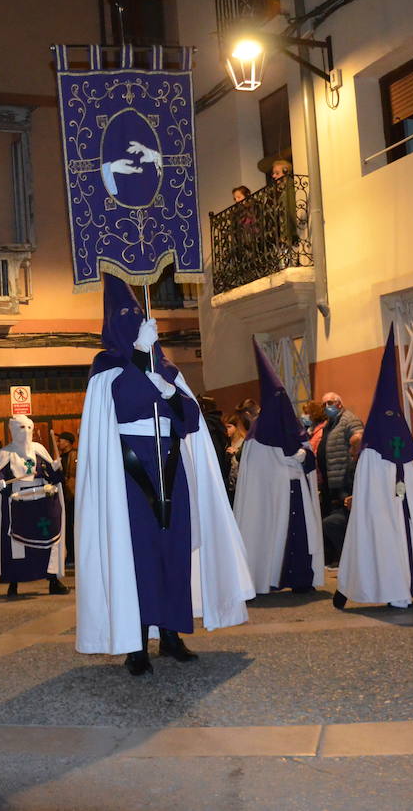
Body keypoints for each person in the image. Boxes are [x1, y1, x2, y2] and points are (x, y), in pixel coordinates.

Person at [75, 275, 253, 676]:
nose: (138, 323)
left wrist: (169, 390)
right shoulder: (107, 368)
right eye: (128, 318)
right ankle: (135, 641)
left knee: (173, 550)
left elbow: (191, 421)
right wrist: (140, 361)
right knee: (137, 554)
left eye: (139, 317)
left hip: (170, 470)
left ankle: (171, 632)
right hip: (129, 473)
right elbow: (126, 405)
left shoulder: (167, 366)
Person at [335, 329, 413, 609]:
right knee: (379, 540)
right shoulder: (370, 453)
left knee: (403, 538)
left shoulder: (394, 446)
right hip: (383, 509)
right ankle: (374, 588)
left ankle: (402, 588)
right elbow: (371, 486)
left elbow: (406, 470)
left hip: (402, 505)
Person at [234, 339, 324, 595]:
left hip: (297, 493)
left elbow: (309, 459)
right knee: (274, 533)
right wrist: (283, 464)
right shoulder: (257, 435)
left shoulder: (294, 427)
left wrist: (303, 456)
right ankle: (268, 576)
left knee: (300, 535)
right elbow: (257, 472)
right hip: (271, 499)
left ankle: (301, 579)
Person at [0, 415, 69, 597]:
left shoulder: (39, 449)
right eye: (20, 427)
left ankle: (53, 579)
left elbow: (54, 478)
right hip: (18, 505)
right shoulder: (6, 453)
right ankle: (14, 581)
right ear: (12, 430)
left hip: (43, 504)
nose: (25, 432)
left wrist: (55, 468)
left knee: (48, 543)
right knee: (16, 545)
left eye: (28, 427)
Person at [317, 391, 364, 566]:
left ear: (339, 403)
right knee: (329, 519)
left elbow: (358, 438)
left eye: (329, 402)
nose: (326, 407)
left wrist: (353, 455)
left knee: (336, 520)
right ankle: (340, 557)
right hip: (332, 481)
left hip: (345, 479)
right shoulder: (329, 424)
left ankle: (350, 559)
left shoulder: (349, 419)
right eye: (323, 404)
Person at [55, 430, 78, 565]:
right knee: (67, 527)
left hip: (72, 495)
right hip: (63, 496)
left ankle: (75, 556)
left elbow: (73, 475)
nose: (59, 443)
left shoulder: (75, 455)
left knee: (74, 526)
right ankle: (70, 556)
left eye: (61, 440)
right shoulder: (60, 457)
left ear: (68, 442)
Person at [224, 410, 248, 499]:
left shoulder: (243, 442)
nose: (226, 430)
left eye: (229, 427)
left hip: (241, 483)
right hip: (231, 483)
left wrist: (236, 452)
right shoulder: (227, 442)